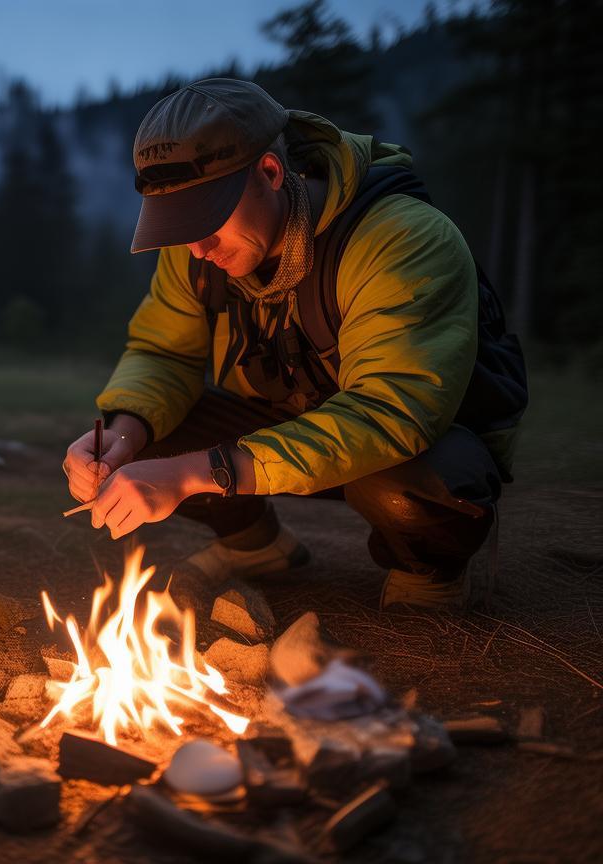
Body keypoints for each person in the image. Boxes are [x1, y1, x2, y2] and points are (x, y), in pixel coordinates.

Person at [62, 79, 527, 610]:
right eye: (177, 222)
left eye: (207, 216)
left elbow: (390, 413)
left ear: (269, 172)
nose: (196, 244)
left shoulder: (403, 239)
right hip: (287, 421)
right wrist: (121, 437)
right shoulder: (195, 254)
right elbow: (163, 353)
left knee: (418, 480)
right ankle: (259, 549)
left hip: (406, 446)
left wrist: (198, 473)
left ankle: (429, 566)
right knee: (151, 433)